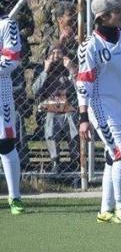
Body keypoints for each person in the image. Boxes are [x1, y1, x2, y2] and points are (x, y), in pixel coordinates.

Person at [77, 0, 121, 225]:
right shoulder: (91, 45)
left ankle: (105, 209)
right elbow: (83, 83)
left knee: (112, 157)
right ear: (104, 17)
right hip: (101, 109)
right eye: (117, 11)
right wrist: (83, 116)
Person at [33, 43, 78, 173]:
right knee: (51, 118)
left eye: (59, 53)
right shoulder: (41, 70)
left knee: (71, 117)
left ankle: (75, 160)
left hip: (68, 108)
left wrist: (71, 69)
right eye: (52, 53)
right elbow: (35, 90)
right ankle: (55, 161)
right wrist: (46, 71)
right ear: (47, 56)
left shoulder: (69, 69)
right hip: (48, 109)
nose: (56, 56)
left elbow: (80, 88)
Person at [0, 0, 23, 214]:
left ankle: (14, 197)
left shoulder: (8, 25)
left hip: (1, 90)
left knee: (5, 143)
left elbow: (12, 59)